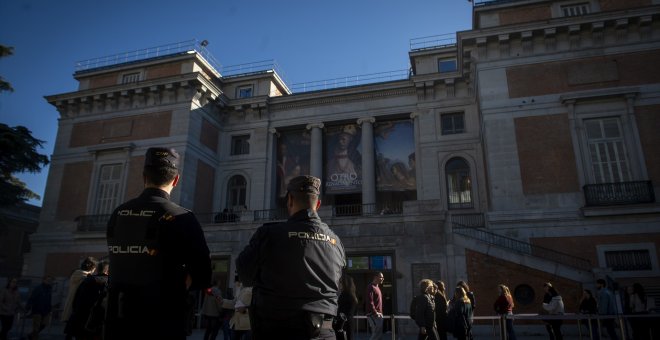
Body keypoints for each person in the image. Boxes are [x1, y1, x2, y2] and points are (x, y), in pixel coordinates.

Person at [104, 147, 212, 340]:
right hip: (163, 320)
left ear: (144, 176)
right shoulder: (183, 217)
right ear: (176, 179)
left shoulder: (118, 212)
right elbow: (203, 272)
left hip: (118, 320)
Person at [236, 175, 346, 340]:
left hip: (276, 331)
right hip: (324, 332)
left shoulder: (269, 234)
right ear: (318, 204)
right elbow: (339, 285)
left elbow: (245, 275)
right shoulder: (336, 242)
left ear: (289, 200)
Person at [64, 260, 109, 340]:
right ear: (107, 270)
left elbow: (75, 300)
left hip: (79, 320)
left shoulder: (87, 280)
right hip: (95, 323)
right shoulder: (108, 283)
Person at [61, 256, 98, 339]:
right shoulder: (79, 273)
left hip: (78, 305)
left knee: (73, 330)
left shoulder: (86, 275)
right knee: (72, 330)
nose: (94, 270)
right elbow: (89, 278)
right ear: (91, 266)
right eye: (94, 267)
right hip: (74, 304)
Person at [25, 276, 54, 340]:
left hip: (46, 310)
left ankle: (31, 335)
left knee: (44, 324)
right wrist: (28, 307)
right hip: (37, 310)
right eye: (47, 280)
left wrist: (49, 308)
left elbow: (49, 299)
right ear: (44, 280)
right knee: (36, 326)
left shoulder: (49, 289)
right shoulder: (38, 288)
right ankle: (34, 337)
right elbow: (32, 298)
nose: (49, 281)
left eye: (50, 280)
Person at [335, 275, 358, 340]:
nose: (339, 284)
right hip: (350, 321)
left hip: (343, 323)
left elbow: (341, 310)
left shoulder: (344, 294)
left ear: (345, 283)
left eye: (340, 282)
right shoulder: (352, 295)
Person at [366, 272, 385, 340]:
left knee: (379, 336)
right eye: (381, 277)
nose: (383, 279)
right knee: (376, 335)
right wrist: (375, 312)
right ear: (375, 277)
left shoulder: (377, 288)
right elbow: (370, 301)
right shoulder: (371, 287)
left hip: (379, 315)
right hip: (374, 315)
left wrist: (380, 313)